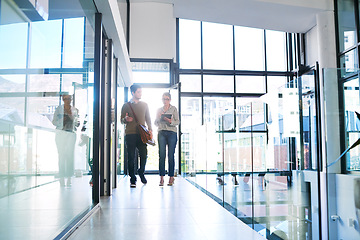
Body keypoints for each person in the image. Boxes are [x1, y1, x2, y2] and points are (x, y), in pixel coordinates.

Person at [121, 84, 152, 188]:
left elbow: (148, 118)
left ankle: (141, 172)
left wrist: (150, 129)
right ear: (133, 92)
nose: (140, 93)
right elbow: (121, 120)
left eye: (141, 91)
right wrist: (126, 120)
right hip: (130, 134)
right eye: (138, 92)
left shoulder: (145, 104)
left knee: (144, 154)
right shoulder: (126, 105)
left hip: (142, 134)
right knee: (131, 156)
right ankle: (132, 178)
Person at [52, 94, 79, 187]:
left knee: (70, 156)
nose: (67, 100)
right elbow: (54, 121)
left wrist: (72, 119)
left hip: (71, 134)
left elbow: (78, 124)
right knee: (62, 155)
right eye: (65, 99)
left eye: (69, 98)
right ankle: (62, 177)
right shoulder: (58, 109)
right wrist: (61, 120)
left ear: (71, 99)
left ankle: (69, 177)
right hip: (61, 134)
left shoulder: (75, 110)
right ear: (63, 99)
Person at [155, 92, 179, 186]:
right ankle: (161, 178)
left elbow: (178, 121)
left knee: (171, 155)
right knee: (161, 155)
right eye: (163, 99)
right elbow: (156, 123)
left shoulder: (174, 109)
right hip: (161, 132)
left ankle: (171, 177)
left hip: (172, 132)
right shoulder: (159, 110)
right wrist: (158, 117)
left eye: (167, 99)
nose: (165, 101)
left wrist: (170, 121)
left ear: (170, 100)